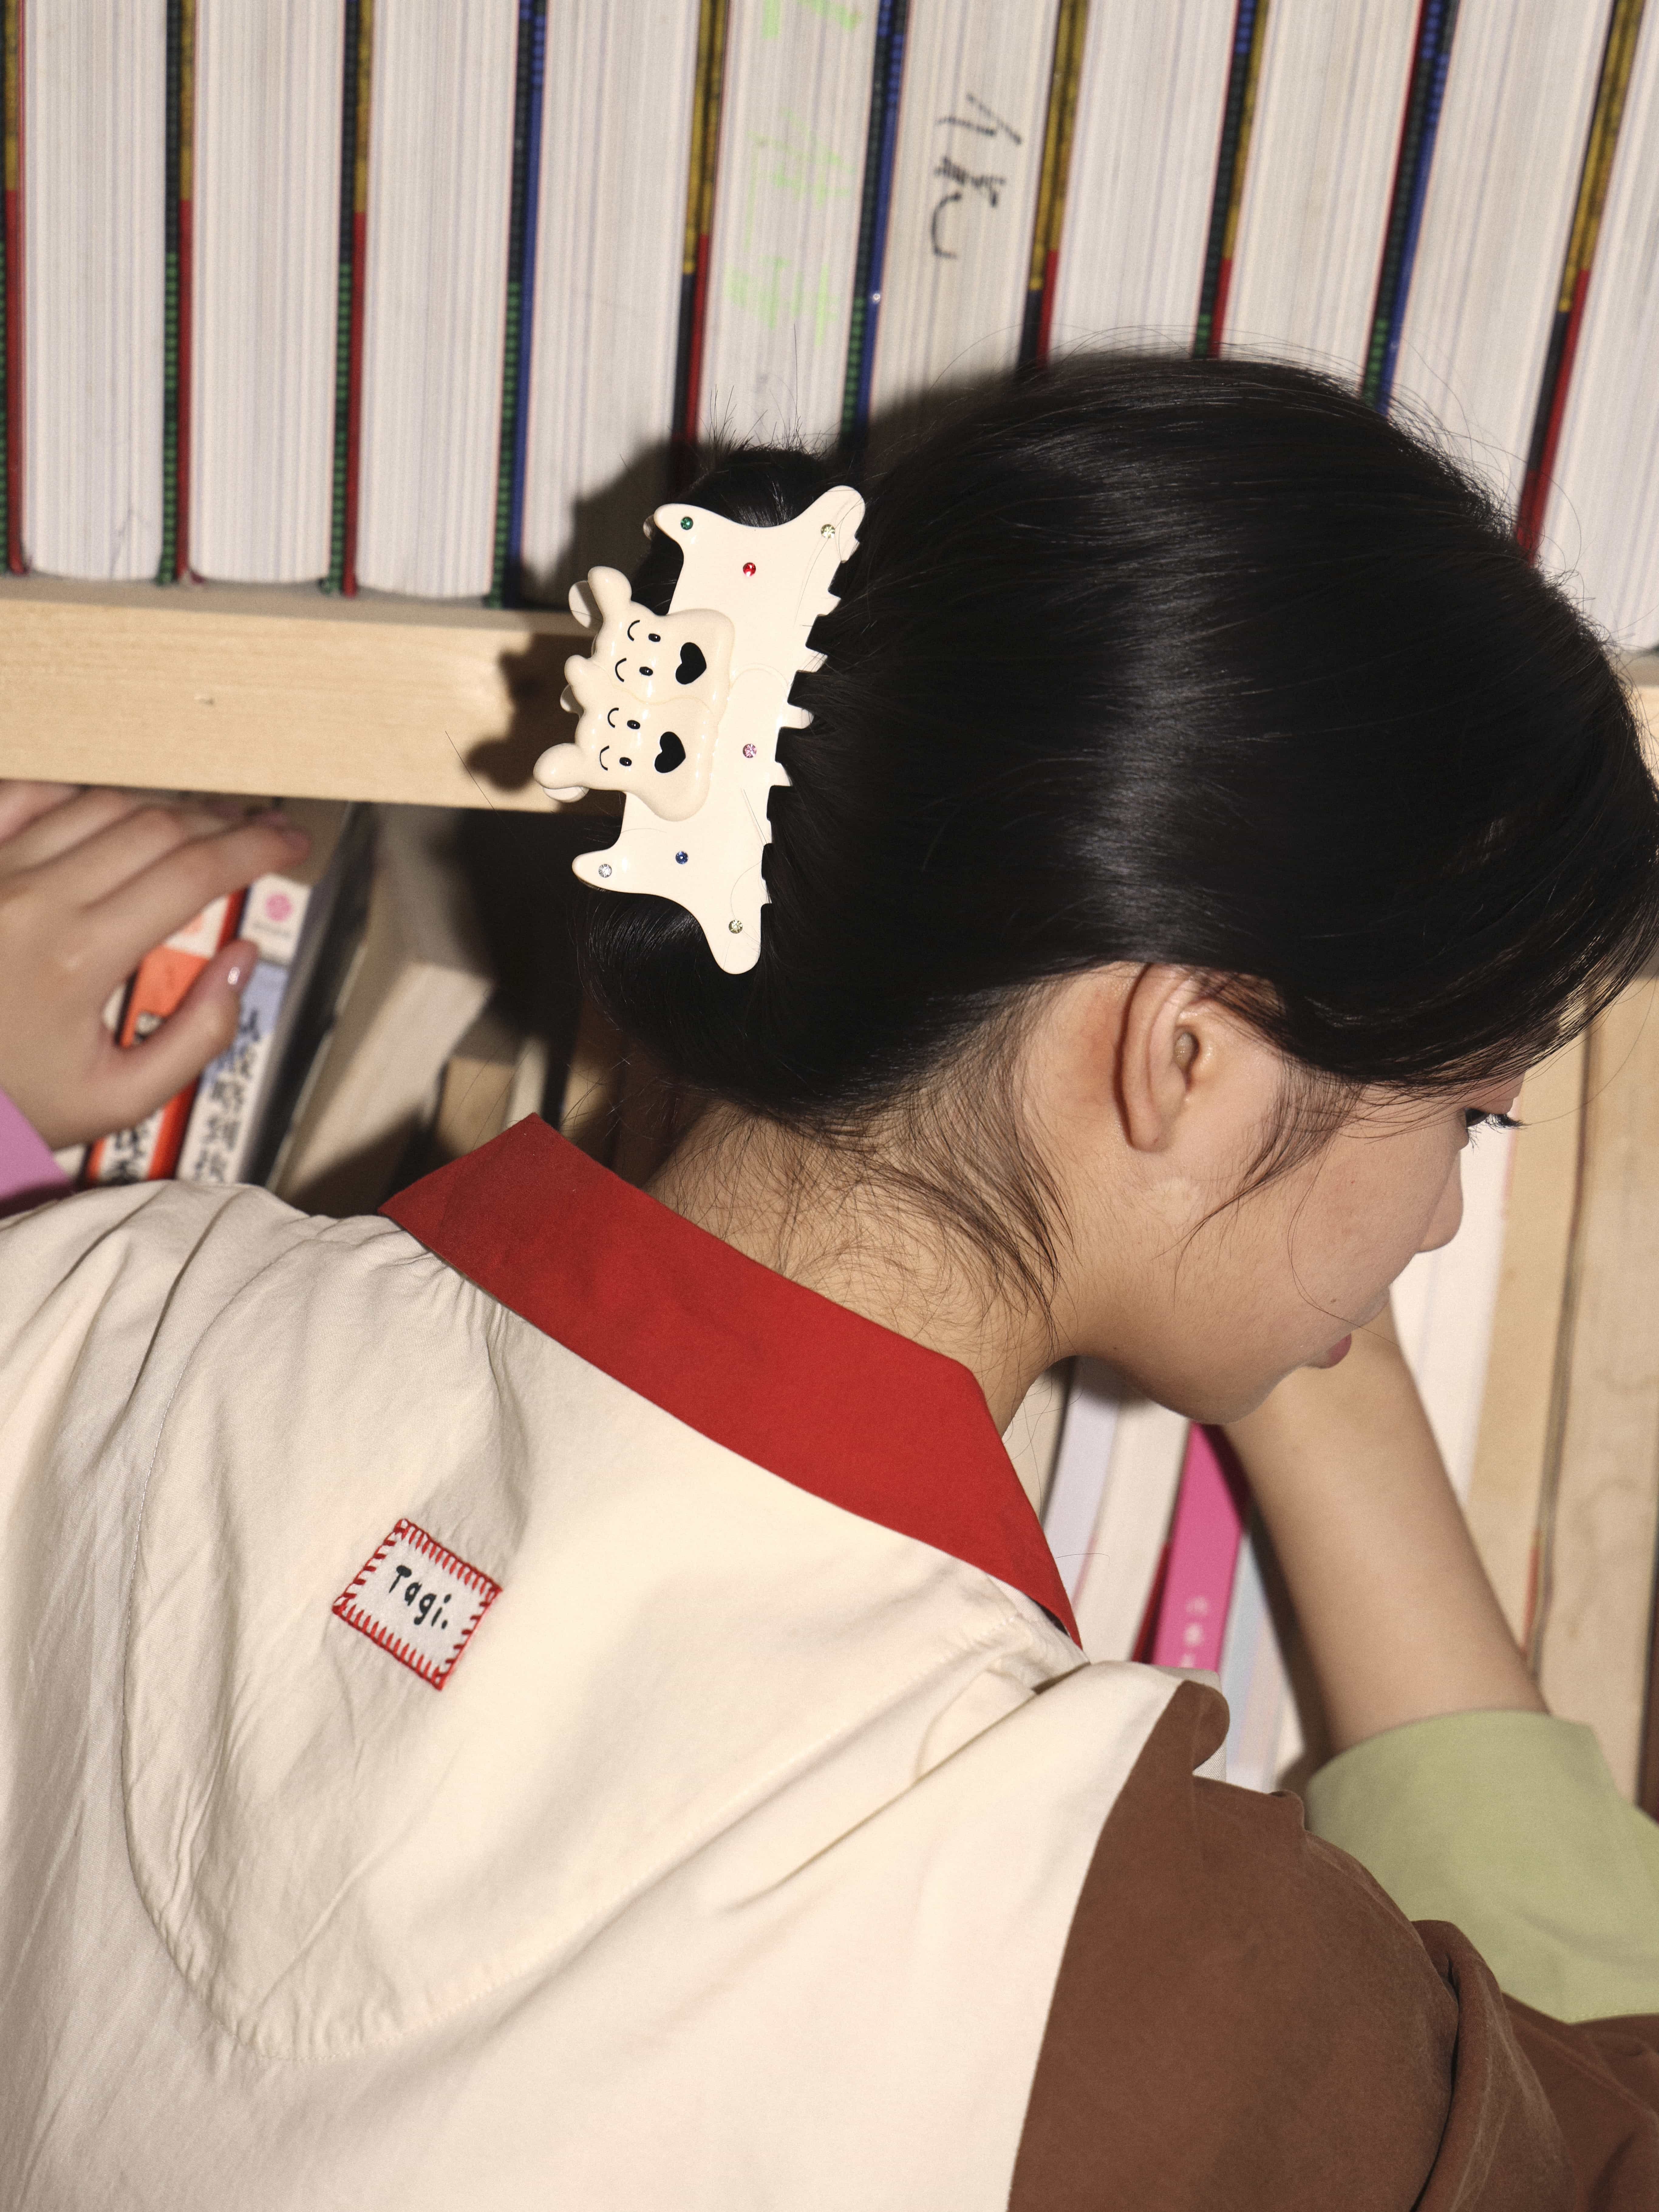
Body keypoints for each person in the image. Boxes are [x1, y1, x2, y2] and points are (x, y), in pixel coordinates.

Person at [2, 353, 1657, 2209]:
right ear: (1183, 1062)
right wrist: (1318, 1381)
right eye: (1469, 1117)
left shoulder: (92, 1308)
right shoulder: (1116, 1941)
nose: (1434, 1223)